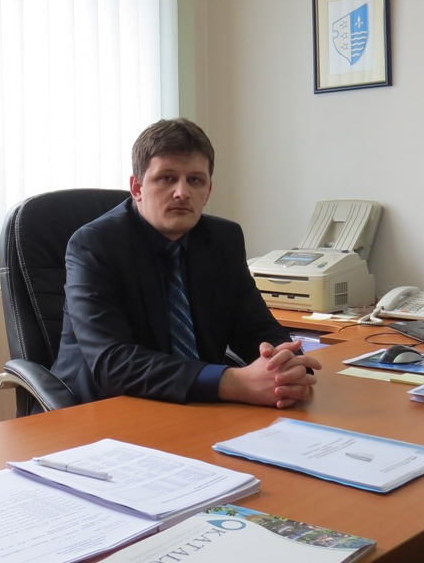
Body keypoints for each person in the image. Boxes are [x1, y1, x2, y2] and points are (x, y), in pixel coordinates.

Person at [51, 118, 321, 408]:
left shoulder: (223, 240)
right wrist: (231, 382)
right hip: (103, 409)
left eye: (195, 180)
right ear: (137, 187)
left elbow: (256, 328)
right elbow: (113, 362)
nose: (182, 192)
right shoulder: (94, 245)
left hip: (199, 406)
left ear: (208, 191)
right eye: (167, 178)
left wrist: (286, 366)